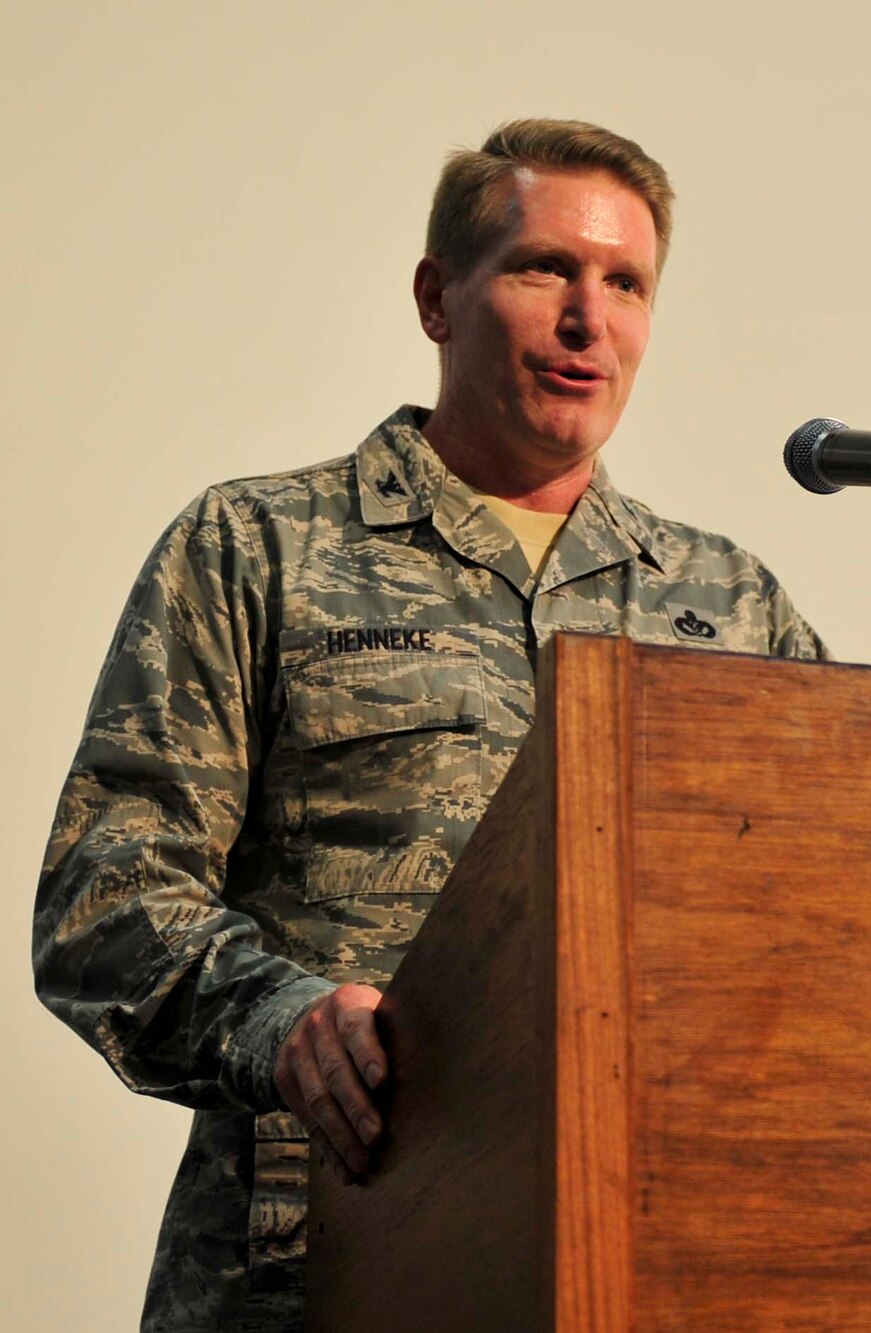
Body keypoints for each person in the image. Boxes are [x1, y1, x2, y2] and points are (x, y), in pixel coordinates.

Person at [32, 118, 825, 1331]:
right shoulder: (258, 547)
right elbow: (106, 899)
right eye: (544, 268)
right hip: (313, 1258)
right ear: (435, 298)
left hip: (646, 1256)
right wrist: (280, 1019)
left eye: (625, 283)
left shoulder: (729, 605)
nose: (589, 318)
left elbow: (836, 917)